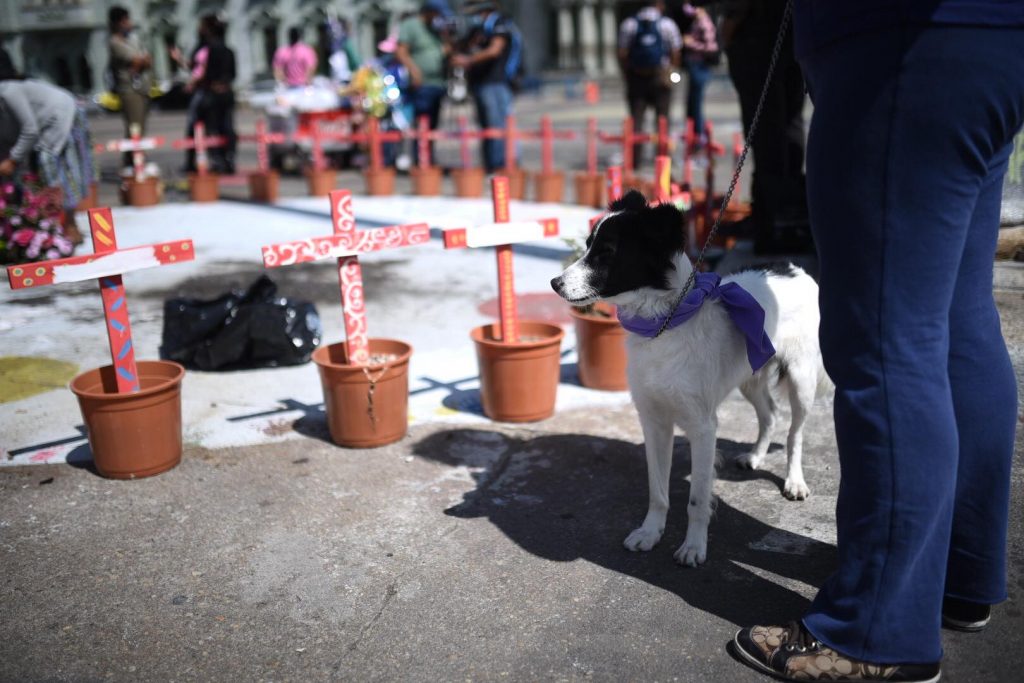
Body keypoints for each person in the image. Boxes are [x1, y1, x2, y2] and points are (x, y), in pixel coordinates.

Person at [733, 2, 1024, 682]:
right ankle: (954, 573)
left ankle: (875, 630)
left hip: (897, 45)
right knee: (954, 316)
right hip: (991, 38)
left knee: (886, 341)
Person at [720, 0, 809, 253]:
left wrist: (733, 15)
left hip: (759, 32)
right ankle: (787, 211)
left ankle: (774, 216)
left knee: (766, 129)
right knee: (789, 123)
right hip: (796, 28)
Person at [0, 78, 94, 245]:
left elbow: (30, 130)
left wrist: (13, 160)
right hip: (40, 125)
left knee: (53, 170)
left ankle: (68, 225)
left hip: (61, 114)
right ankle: (42, 226)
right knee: (34, 177)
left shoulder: (8, 93)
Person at [451, 1, 522, 172]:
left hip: (496, 82)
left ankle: (501, 165)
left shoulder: (499, 23)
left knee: (498, 125)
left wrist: (468, 60)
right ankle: (491, 165)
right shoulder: (478, 29)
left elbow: (495, 50)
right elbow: (461, 46)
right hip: (480, 83)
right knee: (487, 127)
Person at [617, 0, 682, 168]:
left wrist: (627, 74)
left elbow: (622, 52)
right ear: (659, 4)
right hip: (660, 76)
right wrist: (672, 71)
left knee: (637, 120)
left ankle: (635, 161)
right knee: (663, 119)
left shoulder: (629, 24)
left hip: (637, 77)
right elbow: (676, 50)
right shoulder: (667, 24)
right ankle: (663, 159)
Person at [396, 1, 452, 164]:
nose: (439, 17)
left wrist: (448, 38)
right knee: (422, 123)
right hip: (422, 85)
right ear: (428, 11)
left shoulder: (438, 29)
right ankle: (421, 160)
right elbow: (401, 52)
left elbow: (445, 50)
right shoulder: (411, 25)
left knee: (433, 125)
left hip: (438, 83)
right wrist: (414, 71)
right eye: (437, 13)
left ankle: (429, 159)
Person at [107, 5, 152, 169]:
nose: (129, 23)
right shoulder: (114, 42)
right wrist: (140, 62)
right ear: (118, 23)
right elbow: (137, 60)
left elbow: (147, 59)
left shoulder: (133, 39)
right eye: (126, 20)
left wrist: (141, 62)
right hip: (129, 90)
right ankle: (133, 160)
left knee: (141, 125)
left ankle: (134, 159)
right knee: (134, 126)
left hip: (142, 87)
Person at [196, 16, 237, 174]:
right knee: (228, 127)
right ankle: (230, 157)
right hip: (227, 92)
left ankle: (217, 159)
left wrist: (213, 84)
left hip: (214, 94)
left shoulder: (211, 51)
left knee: (213, 127)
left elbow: (208, 74)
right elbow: (233, 74)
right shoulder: (229, 51)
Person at [679, 3, 718, 149]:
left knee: (696, 105)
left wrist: (691, 43)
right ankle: (694, 138)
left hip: (700, 67)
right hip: (694, 66)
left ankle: (699, 138)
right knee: (691, 104)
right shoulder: (696, 21)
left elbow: (711, 47)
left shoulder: (704, 22)